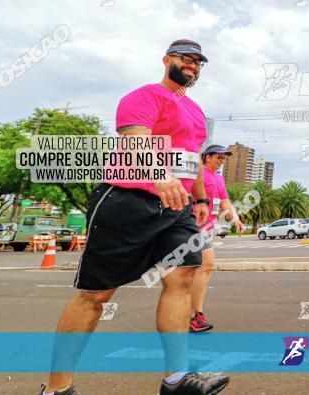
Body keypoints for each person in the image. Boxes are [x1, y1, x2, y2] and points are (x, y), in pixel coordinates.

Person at [41, 40, 230, 395]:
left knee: (183, 277)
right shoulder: (144, 96)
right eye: (185, 59)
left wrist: (201, 199)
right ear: (167, 60)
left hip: (177, 208)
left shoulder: (196, 111)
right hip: (127, 200)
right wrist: (159, 175)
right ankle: (56, 388)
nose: (192, 65)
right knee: (96, 295)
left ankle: (176, 380)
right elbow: (135, 141)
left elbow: (193, 160)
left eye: (198, 62)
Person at [189, 144, 243, 333]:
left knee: (194, 271)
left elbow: (225, 202)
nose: (222, 161)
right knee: (206, 265)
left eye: (224, 159)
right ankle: (195, 315)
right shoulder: (198, 174)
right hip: (193, 226)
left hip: (208, 228)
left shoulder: (219, 179)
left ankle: (190, 314)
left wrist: (234, 218)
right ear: (207, 157)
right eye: (219, 158)